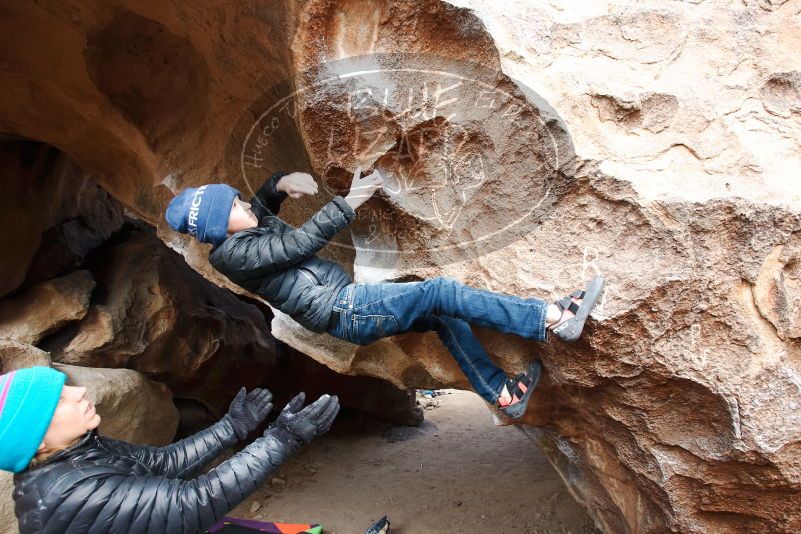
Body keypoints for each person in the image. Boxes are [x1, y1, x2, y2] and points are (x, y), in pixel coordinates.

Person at [165, 168, 604, 419]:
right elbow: (296, 246)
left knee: (442, 315)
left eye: (238, 199)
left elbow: (260, 207)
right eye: (234, 207)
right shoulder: (231, 257)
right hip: (344, 310)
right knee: (439, 292)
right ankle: (551, 317)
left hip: (347, 304)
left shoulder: (244, 228)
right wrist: (350, 200)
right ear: (219, 229)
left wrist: (279, 184)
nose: (244, 204)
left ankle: (501, 394)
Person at [4, 366, 339, 533]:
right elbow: (191, 503)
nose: (78, 394)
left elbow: (163, 462)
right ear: (38, 441)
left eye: (66, 388)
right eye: (58, 402)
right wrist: (281, 440)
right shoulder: (69, 492)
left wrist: (230, 428)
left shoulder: (78, 450)